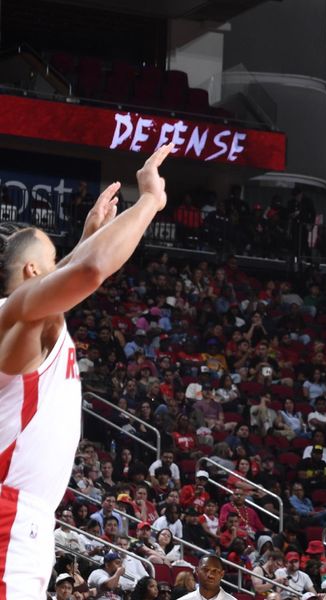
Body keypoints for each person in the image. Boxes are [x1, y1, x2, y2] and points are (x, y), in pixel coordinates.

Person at [0, 145, 172, 599]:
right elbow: (91, 270)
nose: (63, 266)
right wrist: (150, 200)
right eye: (56, 259)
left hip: (24, 519)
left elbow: (79, 269)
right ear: (35, 271)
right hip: (9, 518)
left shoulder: (28, 322)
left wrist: (86, 238)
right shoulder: (19, 316)